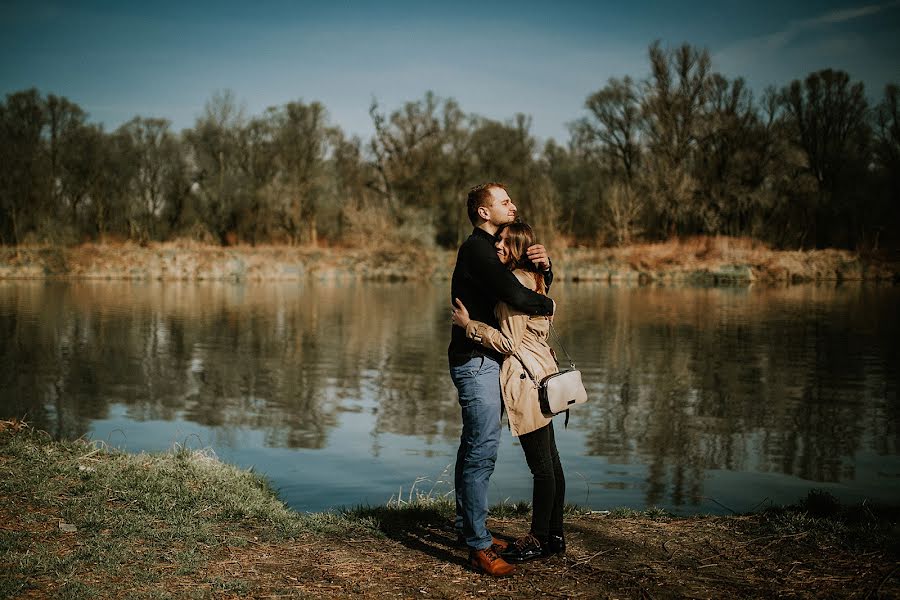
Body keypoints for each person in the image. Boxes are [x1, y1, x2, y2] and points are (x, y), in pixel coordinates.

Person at [448, 182, 555, 577]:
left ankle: (468, 529)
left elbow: (525, 287)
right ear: (483, 212)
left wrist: (547, 268)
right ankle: (477, 546)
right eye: (504, 201)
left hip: (486, 358)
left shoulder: (496, 250)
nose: (513, 205)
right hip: (476, 360)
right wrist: (551, 304)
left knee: (472, 447)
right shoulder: (478, 249)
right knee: (481, 452)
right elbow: (521, 296)